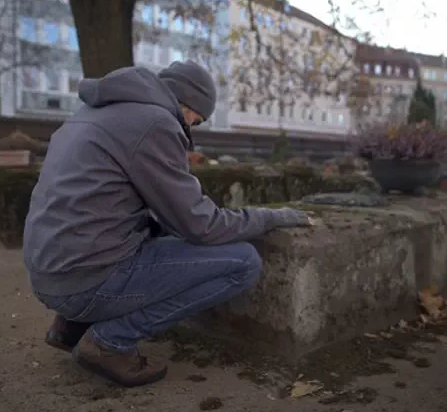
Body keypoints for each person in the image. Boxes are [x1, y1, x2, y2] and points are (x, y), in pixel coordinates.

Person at [22, 61, 313, 387]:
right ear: (186, 104)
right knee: (243, 262)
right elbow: (201, 225)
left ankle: (72, 326)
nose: (192, 129)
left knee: (152, 236)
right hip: (83, 281)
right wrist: (270, 217)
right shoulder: (155, 122)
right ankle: (110, 342)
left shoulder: (91, 112)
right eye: (197, 121)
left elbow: (107, 205)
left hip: (48, 273)